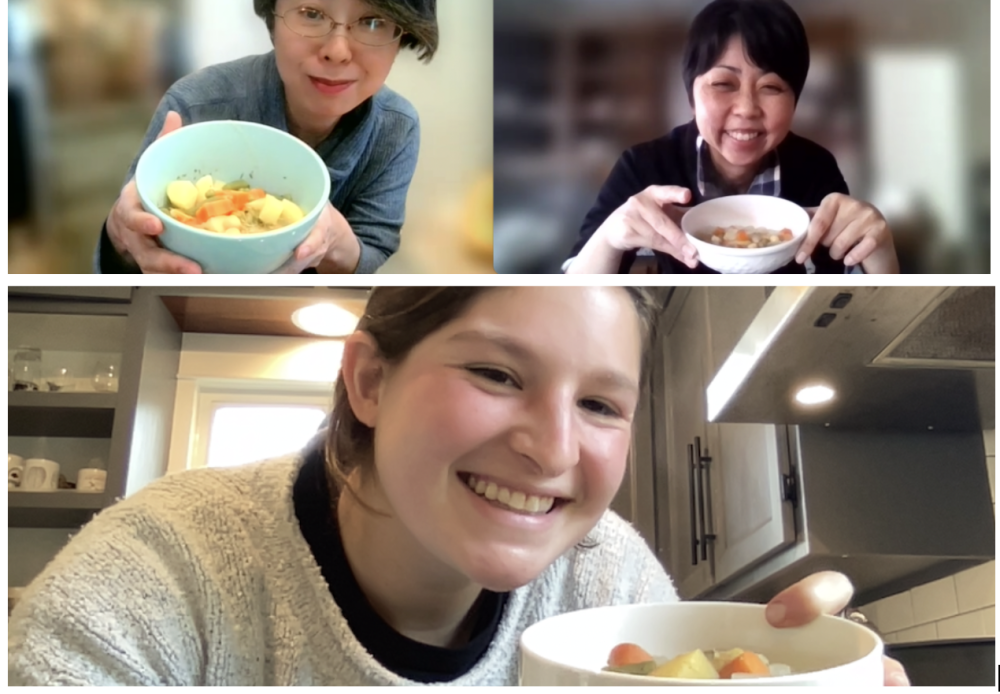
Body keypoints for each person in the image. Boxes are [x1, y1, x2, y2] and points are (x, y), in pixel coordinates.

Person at [7, 287, 909, 685]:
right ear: (368, 381)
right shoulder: (163, 572)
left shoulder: (608, 581)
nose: (553, 448)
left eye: (600, 403)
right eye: (497, 374)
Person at [95, 0, 438, 274]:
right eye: (311, 13)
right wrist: (120, 232)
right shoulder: (195, 104)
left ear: (403, 34)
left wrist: (335, 242)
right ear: (273, 17)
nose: (338, 50)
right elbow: (124, 255)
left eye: (373, 21)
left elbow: (373, 250)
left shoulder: (396, 128)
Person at [565, 0, 900, 275]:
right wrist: (611, 235)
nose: (746, 108)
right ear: (690, 96)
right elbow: (573, 296)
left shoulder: (815, 167)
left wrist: (880, 248)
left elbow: (854, 293)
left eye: (771, 87)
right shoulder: (645, 167)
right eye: (723, 84)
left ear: (794, 100)